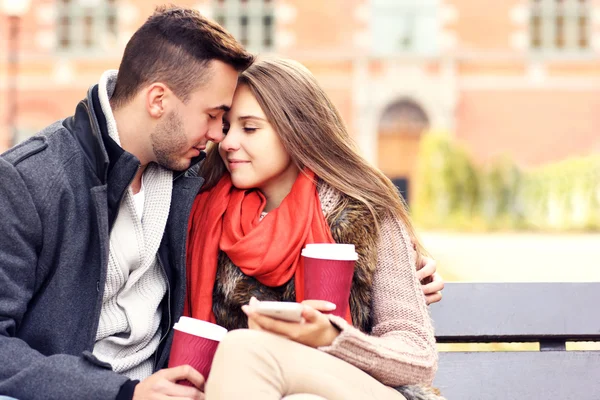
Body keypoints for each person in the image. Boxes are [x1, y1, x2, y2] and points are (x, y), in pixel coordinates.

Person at [0, 6, 253, 400]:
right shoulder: (28, 180)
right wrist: (121, 393)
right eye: (213, 115)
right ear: (157, 100)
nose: (219, 134)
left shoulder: (192, 172)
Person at [184, 58, 444, 400]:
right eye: (228, 126)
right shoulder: (206, 213)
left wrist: (330, 337)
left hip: (366, 389)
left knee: (243, 349)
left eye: (250, 128)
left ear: (297, 130)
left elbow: (417, 356)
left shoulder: (364, 212)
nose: (228, 142)